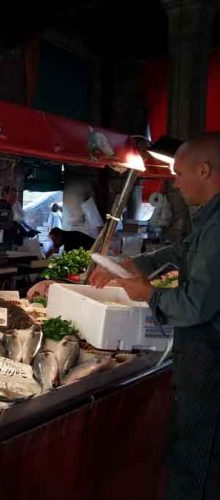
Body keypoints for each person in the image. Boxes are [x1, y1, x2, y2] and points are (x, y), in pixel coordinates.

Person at [90, 133, 220, 500]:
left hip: (211, 364)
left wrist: (147, 293)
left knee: (196, 464)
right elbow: (182, 252)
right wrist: (135, 264)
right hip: (201, 359)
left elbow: (196, 304)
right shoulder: (209, 220)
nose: (175, 184)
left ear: (204, 170)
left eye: (179, 174)